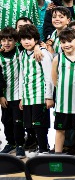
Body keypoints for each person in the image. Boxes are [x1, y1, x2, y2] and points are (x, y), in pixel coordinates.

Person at [51, 28, 75, 162]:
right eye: (63, 42)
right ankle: (57, 155)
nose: (66, 44)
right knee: (60, 130)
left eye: (70, 41)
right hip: (62, 104)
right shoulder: (58, 58)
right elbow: (54, 79)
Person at [18, 24, 54, 156]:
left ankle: (44, 149)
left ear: (35, 39)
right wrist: (22, 97)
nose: (26, 41)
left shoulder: (42, 53)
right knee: (29, 125)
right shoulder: (22, 54)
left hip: (40, 96)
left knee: (40, 125)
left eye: (29, 38)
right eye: (23, 39)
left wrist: (49, 96)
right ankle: (40, 146)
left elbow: (49, 76)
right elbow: (22, 76)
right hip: (28, 96)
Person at [0, 27, 25, 158]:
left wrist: (38, 47)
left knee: (18, 121)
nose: (6, 43)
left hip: (19, 95)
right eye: (3, 40)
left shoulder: (20, 51)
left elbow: (34, 44)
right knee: (6, 120)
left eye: (10, 40)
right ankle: (10, 143)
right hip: (5, 96)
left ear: (16, 41)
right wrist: (0, 95)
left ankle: (20, 145)